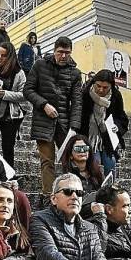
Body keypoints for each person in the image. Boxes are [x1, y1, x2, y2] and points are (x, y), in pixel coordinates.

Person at [24, 36, 83, 196]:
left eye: (67, 52)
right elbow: (28, 90)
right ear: (54, 50)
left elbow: (77, 102)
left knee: (70, 162)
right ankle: (49, 196)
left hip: (65, 123)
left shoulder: (75, 73)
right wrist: (44, 105)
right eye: (60, 52)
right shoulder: (39, 65)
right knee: (47, 161)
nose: (63, 56)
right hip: (43, 120)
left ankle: (71, 193)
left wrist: (74, 126)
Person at [79, 69, 129, 175]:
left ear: (111, 86)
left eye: (105, 87)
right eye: (98, 86)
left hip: (107, 138)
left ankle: (109, 190)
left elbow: (121, 116)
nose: (101, 90)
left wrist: (117, 126)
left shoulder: (116, 96)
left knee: (111, 163)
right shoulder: (86, 94)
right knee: (94, 163)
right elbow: (79, 115)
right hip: (89, 137)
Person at [59, 135, 106, 227]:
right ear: (71, 155)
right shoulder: (65, 175)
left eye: (85, 148)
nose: (82, 151)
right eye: (78, 148)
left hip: (98, 211)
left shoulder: (96, 173)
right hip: (77, 214)